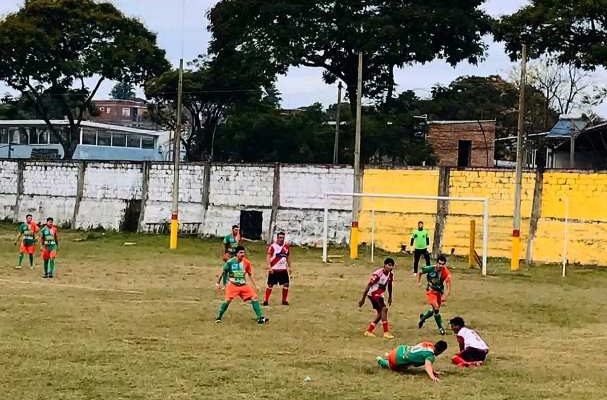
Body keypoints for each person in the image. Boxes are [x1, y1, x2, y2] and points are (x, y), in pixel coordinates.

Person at [215, 246, 269, 324]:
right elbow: (223, 272)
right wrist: (218, 283)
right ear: (236, 254)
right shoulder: (230, 262)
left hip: (243, 285)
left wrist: (255, 285)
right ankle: (219, 317)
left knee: (254, 297)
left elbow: (250, 274)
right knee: (227, 301)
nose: (243, 254)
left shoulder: (247, 263)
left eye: (243, 252)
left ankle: (260, 318)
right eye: (240, 252)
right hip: (233, 285)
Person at [376, 340, 448, 382]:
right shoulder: (430, 355)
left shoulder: (428, 344)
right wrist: (433, 377)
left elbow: (418, 353)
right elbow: (427, 366)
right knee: (397, 369)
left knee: (407, 362)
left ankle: (388, 355)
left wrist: (433, 371)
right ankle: (381, 361)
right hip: (396, 358)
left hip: (401, 349)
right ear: (441, 351)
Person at [359, 258, 395, 339]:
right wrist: (363, 299)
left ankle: (369, 331)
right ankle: (386, 332)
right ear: (384, 265)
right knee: (384, 309)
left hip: (379, 294)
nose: (390, 267)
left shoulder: (390, 275)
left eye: (392, 266)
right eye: (389, 265)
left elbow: (389, 285)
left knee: (380, 313)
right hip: (373, 293)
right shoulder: (378, 274)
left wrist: (390, 296)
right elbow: (369, 285)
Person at [417, 255, 452, 335]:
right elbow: (420, 272)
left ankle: (423, 317)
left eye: (442, 264)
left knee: (435, 310)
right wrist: (419, 282)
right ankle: (441, 328)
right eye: (439, 263)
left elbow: (448, 287)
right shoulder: (430, 268)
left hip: (439, 292)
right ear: (436, 263)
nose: (440, 266)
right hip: (431, 290)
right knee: (436, 307)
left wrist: (445, 296)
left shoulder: (446, 272)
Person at [263, 231, 292, 306]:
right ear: (277, 238)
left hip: (283, 269)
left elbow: (288, 257)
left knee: (286, 284)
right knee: (270, 285)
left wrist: (289, 266)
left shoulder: (286, 247)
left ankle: (284, 300)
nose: (281, 239)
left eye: (283, 238)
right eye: (280, 237)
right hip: (274, 269)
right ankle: (266, 301)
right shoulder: (273, 246)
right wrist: (269, 266)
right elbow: (268, 256)